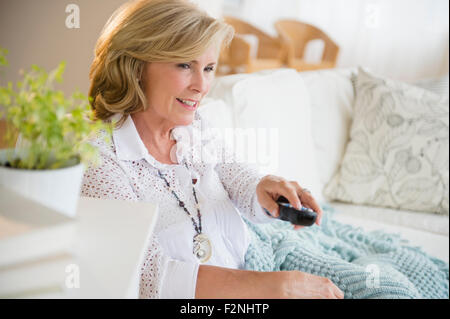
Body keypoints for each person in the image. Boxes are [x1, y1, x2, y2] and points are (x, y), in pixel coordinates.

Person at [83, 0, 344, 299]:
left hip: (257, 262)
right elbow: (146, 276)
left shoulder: (195, 127)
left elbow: (235, 176)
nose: (202, 85)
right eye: (185, 65)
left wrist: (263, 188)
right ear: (135, 66)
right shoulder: (100, 161)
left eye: (208, 68)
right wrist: (275, 287)